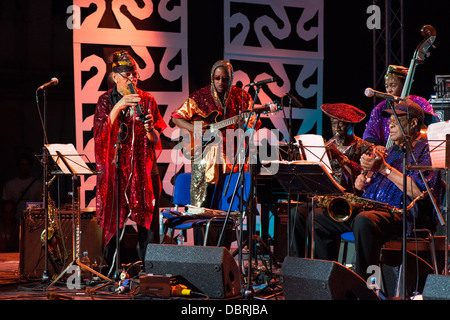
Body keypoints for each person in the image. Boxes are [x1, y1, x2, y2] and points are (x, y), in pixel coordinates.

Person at [302, 99, 442, 279]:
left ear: (414, 122)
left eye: (397, 119)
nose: (390, 123)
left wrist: (384, 169)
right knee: (319, 217)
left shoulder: (427, 151)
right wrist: (363, 178)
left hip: (406, 216)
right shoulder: (391, 152)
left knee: (364, 221)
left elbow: (420, 193)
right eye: (390, 119)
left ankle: (366, 285)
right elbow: (363, 187)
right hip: (377, 211)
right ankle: (326, 280)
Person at [171, 60, 258, 245]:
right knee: (204, 206)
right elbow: (176, 117)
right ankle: (204, 254)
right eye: (217, 78)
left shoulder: (241, 97)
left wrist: (245, 123)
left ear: (231, 79)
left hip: (232, 158)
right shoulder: (200, 96)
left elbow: (252, 125)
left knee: (226, 207)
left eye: (224, 79)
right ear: (212, 78)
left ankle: (223, 253)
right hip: (206, 160)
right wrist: (194, 129)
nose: (220, 82)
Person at [94, 50, 167, 268]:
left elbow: (155, 139)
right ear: (115, 77)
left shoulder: (147, 99)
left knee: (148, 225)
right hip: (117, 171)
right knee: (114, 223)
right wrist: (119, 106)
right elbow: (100, 134)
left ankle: (149, 270)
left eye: (134, 74)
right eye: (126, 75)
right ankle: (112, 270)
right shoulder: (106, 100)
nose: (131, 79)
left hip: (145, 171)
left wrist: (149, 128)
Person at [291, 103, 373, 257]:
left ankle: (326, 267)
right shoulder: (328, 145)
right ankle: (300, 263)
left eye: (341, 124)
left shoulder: (365, 148)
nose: (337, 129)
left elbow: (363, 178)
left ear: (352, 125)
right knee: (296, 214)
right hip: (326, 199)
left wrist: (342, 159)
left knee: (316, 217)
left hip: (350, 204)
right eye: (334, 124)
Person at [363, 65, 438, 147]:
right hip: (388, 154)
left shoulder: (419, 102)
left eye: (393, 85)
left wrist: (415, 110)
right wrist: (377, 147)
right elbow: (370, 132)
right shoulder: (380, 108)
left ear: (404, 85)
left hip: (415, 150)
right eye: (386, 86)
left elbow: (434, 123)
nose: (389, 90)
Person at [1, 153, 43, 252]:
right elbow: (5, 206)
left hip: (33, 223)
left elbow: (42, 206)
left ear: (30, 166)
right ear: (18, 166)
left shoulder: (38, 185)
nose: (24, 167)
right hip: (14, 223)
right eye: (22, 164)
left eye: (26, 164)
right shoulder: (10, 185)